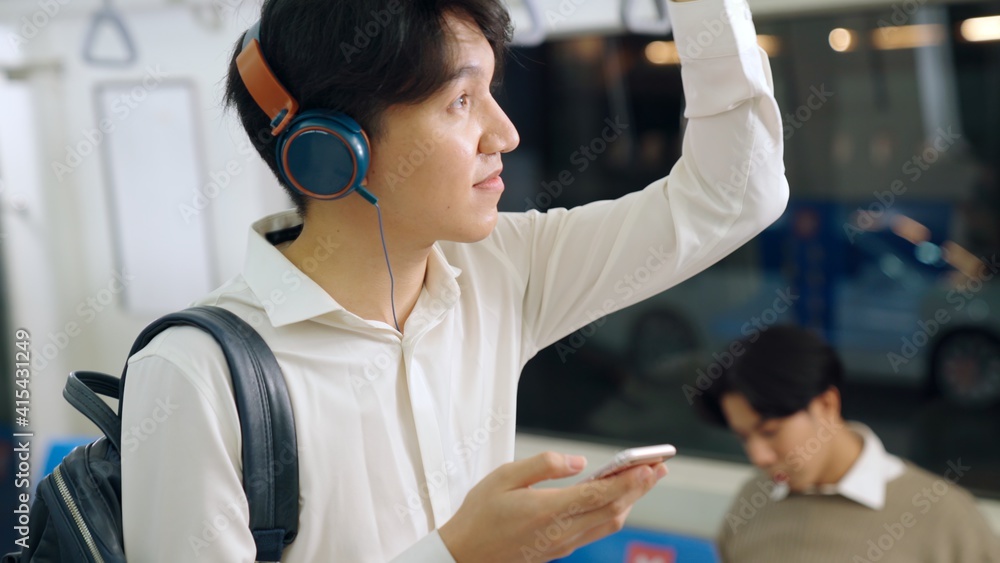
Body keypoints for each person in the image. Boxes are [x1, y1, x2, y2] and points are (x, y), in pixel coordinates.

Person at [118, 0, 789, 560]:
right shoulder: (194, 374)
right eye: (461, 101)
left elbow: (735, 195)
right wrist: (456, 553)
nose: (505, 132)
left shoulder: (500, 269)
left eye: (491, 93)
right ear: (331, 151)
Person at [697, 325, 1000, 562]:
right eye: (744, 437)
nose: (758, 456)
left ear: (826, 404)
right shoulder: (751, 503)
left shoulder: (944, 517)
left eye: (770, 431)